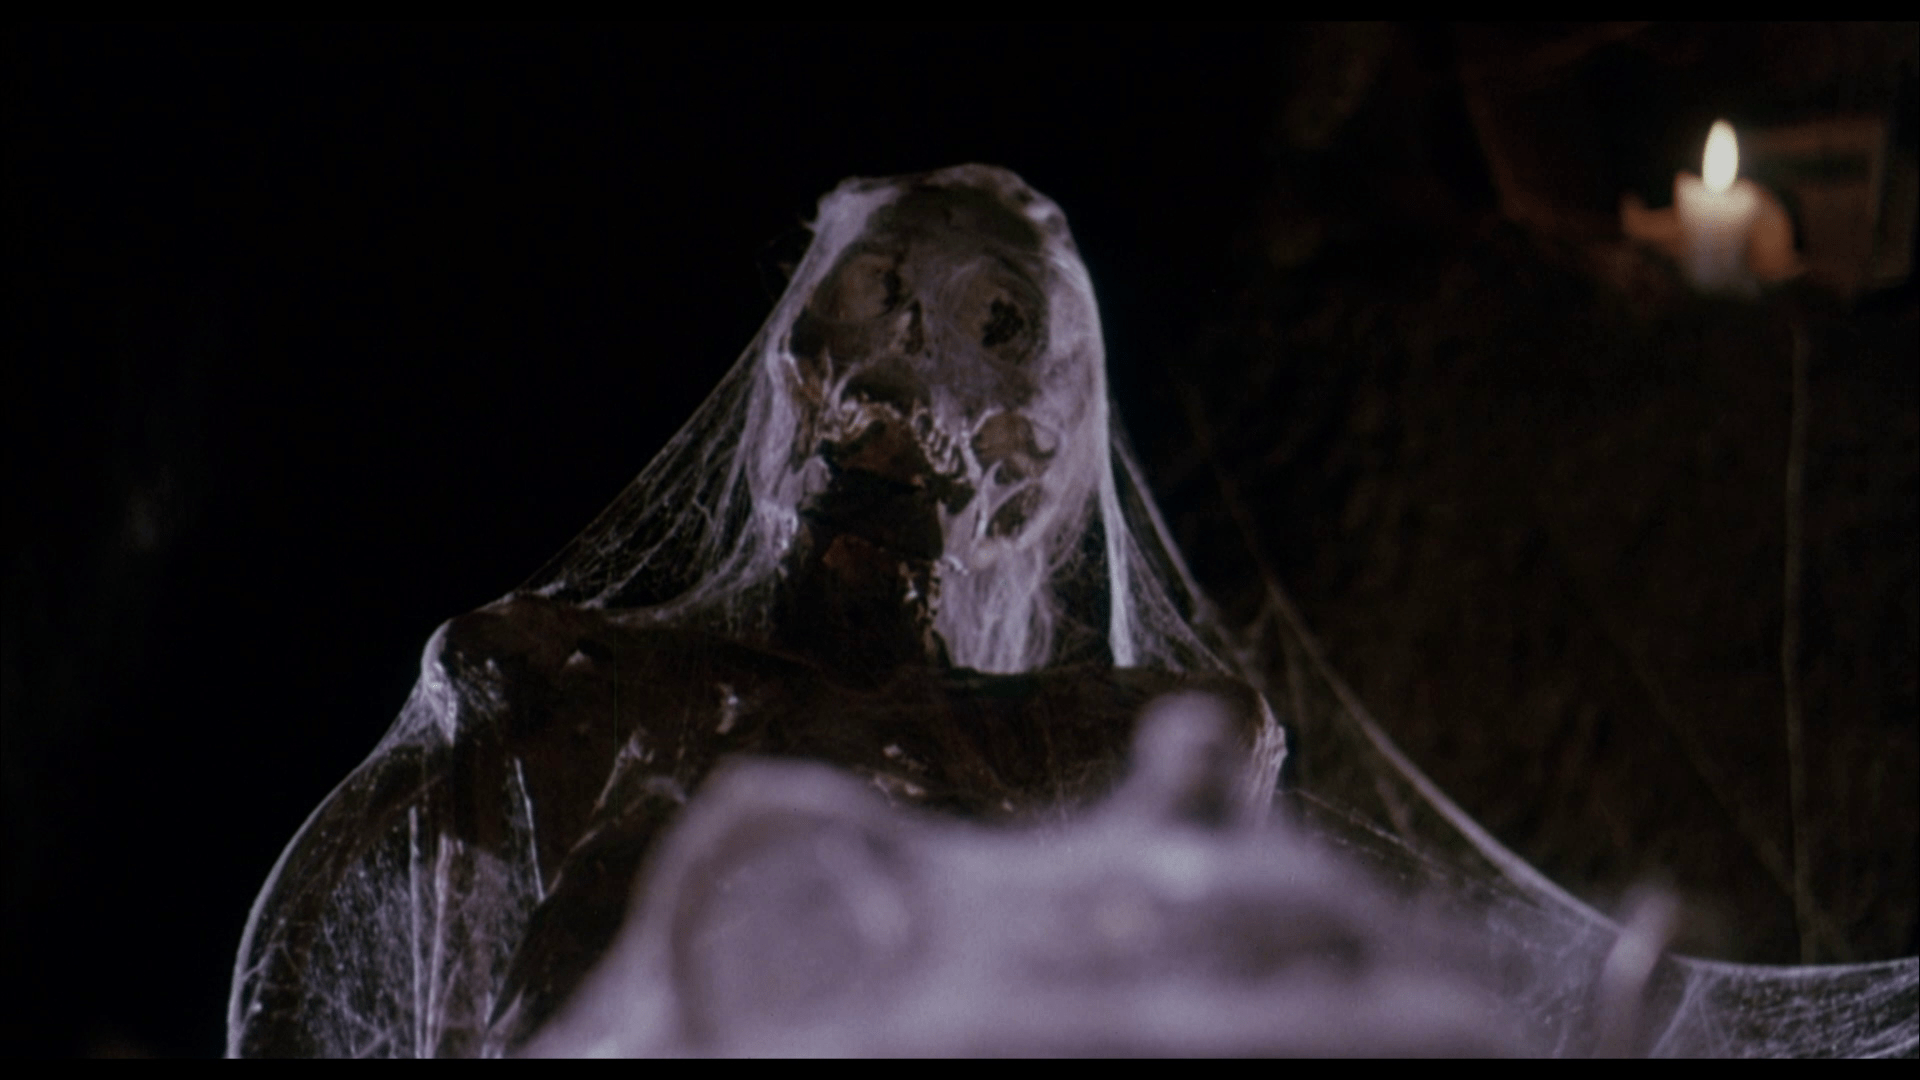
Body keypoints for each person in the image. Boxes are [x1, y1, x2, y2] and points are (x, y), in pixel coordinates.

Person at [226, 165, 1284, 1058]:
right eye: (876, 294)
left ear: (1030, 469)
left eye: (995, 328)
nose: (905, 360)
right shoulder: (593, 694)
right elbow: (300, 985)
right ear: (790, 368)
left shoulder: (1071, 750)